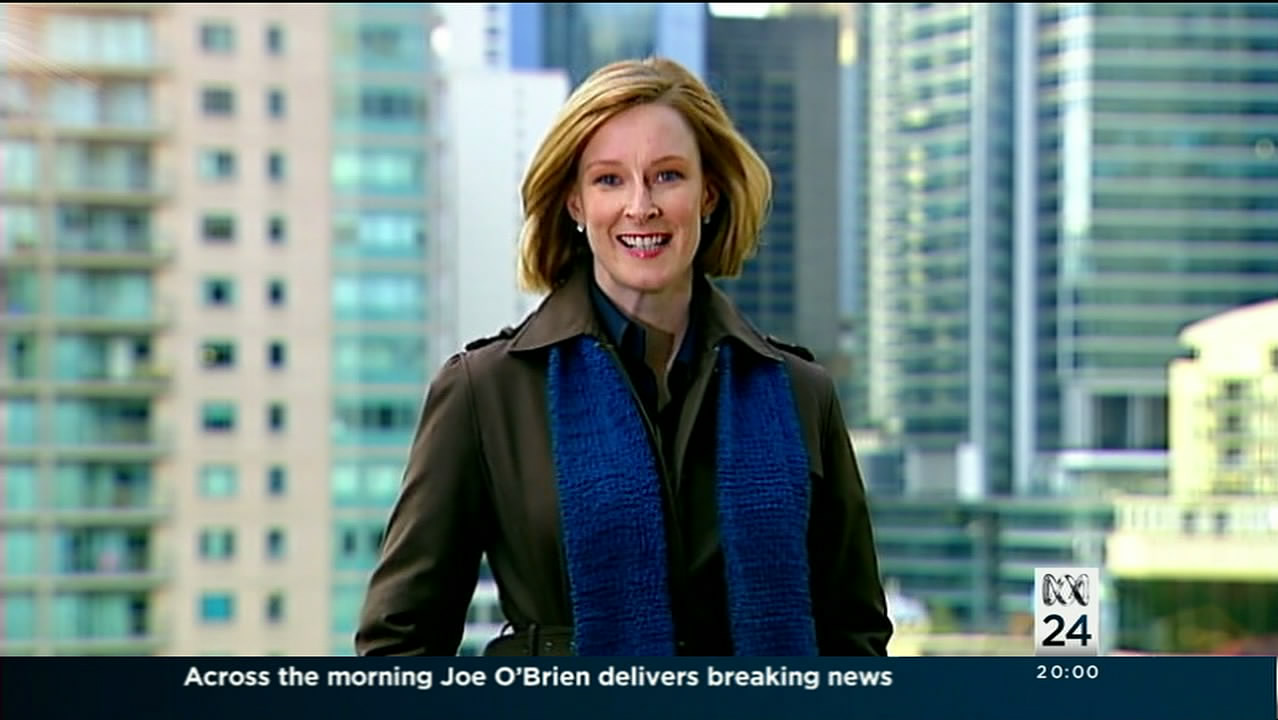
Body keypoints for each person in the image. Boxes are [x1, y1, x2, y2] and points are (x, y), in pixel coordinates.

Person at [355, 57, 892, 657]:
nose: (641, 206)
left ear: (709, 193)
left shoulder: (801, 393)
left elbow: (856, 643)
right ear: (575, 203)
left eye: (668, 176)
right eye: (609, 180)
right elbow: (400, 648)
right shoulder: (485, 391)